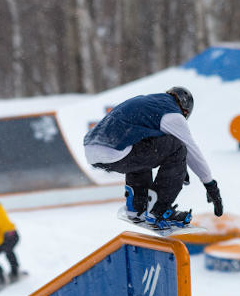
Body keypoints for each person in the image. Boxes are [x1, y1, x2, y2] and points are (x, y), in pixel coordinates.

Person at [83, 86, 223, 229]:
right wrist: (210, 185)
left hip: (93, 150)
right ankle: (159, 210)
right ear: (185, 110)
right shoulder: (173, 114)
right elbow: (191, 150)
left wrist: (178, 165)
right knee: (178, 147)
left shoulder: (151, 103)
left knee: (144, 148)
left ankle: (137, 207)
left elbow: (153, 147)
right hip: (114, 150)